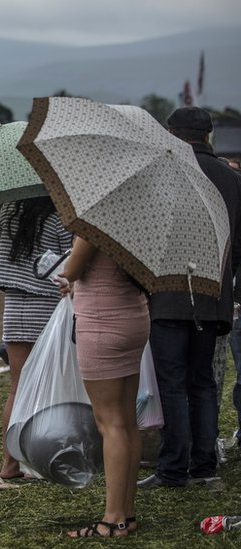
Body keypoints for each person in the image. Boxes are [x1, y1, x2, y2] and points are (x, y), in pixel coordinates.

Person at [138, 107, 241, 489]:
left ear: (171, 133)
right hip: (214, 296)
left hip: (167, 295)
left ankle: (172, 469)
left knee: (173, 383)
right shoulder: (232, 179)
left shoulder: (163, 174)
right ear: (208, 135)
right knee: (203, 382)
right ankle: (204, 467)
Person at [58, 236, 149, 537]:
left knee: (110, 424)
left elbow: (69, 272)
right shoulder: (136, 221)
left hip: (101, 323)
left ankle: (112, 520)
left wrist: (63, 276)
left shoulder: (93, 224)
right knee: (127, 422)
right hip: (134, 315)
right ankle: (128, 513)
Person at [0, 197, 72, 480]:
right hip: (47, 308)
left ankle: (9, 464)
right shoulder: (59, 216)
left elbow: (3, 250)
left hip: (14, 307)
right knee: (50, 389)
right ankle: (47, 459)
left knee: (17, 389)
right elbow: (68, 262)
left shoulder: (8, 210)